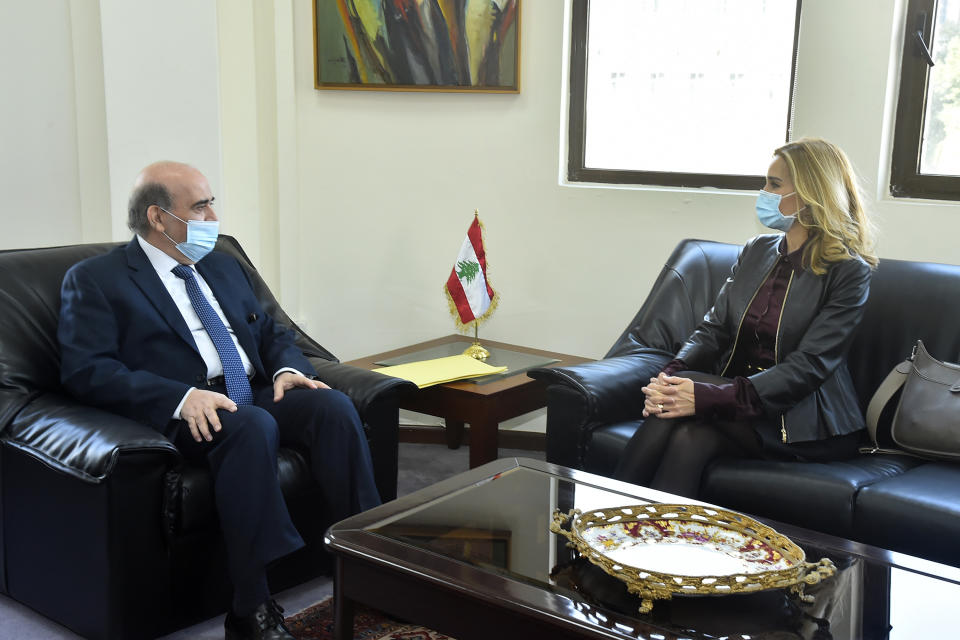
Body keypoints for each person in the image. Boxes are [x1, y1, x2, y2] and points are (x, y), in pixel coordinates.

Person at [58, 161, 381, 640]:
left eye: (212, 203)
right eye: (200, 206)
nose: (213, 217)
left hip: (248, 392)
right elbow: (86, 370)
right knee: (252, 426)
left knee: (331, 407)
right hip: (186, 410)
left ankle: (366, 564)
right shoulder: (96, 279)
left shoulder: (224, 265)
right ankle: (250, 608)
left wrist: (290, 370)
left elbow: (273, 331)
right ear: (159, 218)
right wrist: (179, 396)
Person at [614, 138, 878, 499]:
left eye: (774, 184)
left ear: (810, 193)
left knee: (687, 410)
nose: (764, 193)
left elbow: (810, 366)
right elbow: (714, 328)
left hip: (804, 422)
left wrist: (705, 396)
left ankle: (604, 530)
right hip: (739, 406)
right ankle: (642, 540)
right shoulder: (757, 250)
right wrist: (670, 376)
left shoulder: (849, 271)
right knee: (691, 434)